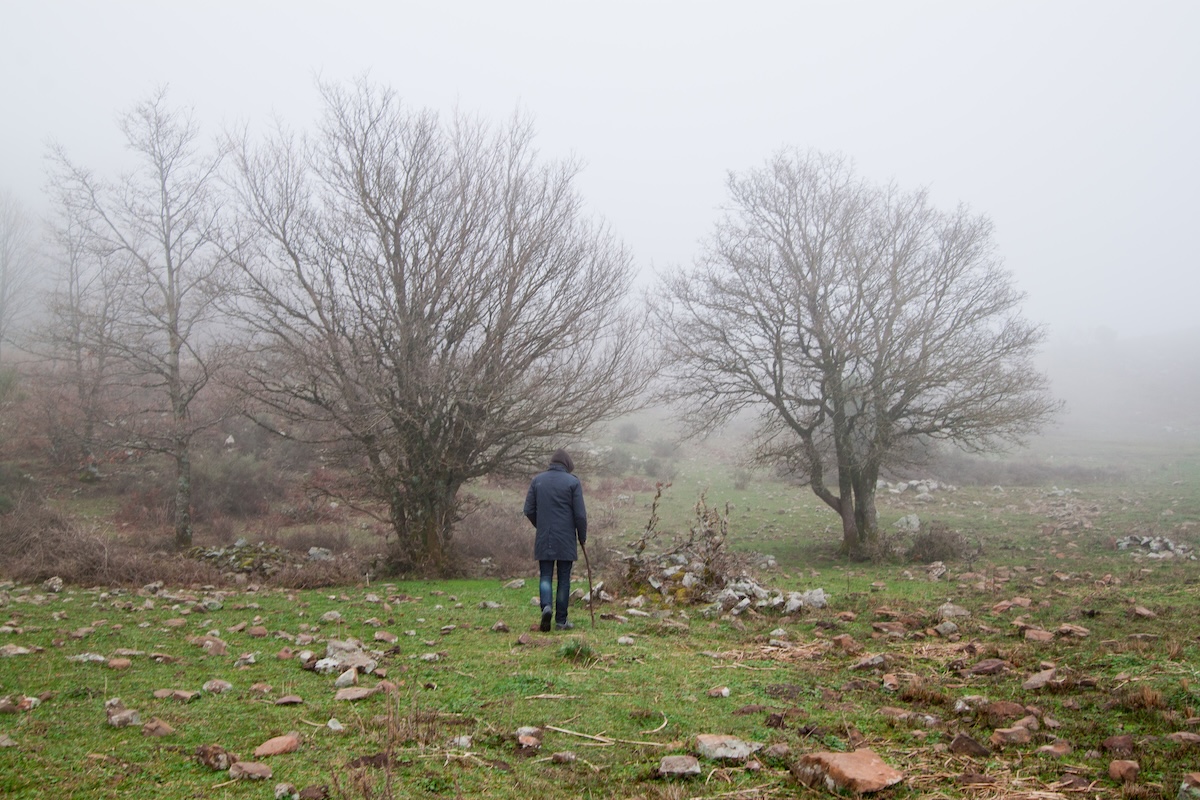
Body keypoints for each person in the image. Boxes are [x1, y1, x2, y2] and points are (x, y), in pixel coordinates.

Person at [523, 448, 587, 631]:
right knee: (564, 578)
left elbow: (528, 510)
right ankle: (561, 621)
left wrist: (541, 525)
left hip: (545, 535)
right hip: (566, 537)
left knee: (545, 575)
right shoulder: (573, 482)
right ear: (567, 465)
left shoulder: (538, 480)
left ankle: (546, 607)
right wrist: (582, 537)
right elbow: (580, 515)